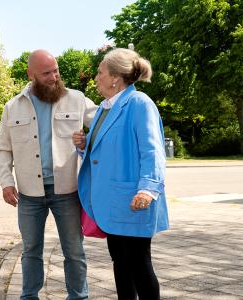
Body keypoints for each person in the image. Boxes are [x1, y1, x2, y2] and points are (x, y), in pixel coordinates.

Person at [0, 49, 97, 299]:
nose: (54, 77)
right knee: (31, 250)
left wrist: (87, 141)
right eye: (46, 73)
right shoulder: (13, 107)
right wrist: (6, 182)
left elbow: (104, 125)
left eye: (56, 70)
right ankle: (29, 296)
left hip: (67, 191)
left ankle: (78, 297)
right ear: (31, 74)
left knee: (74, 250)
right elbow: (2, 150)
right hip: (29, 194)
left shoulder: (76, 99)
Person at [73, 48, 169, 300]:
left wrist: (148, 188)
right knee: (120, 263)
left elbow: (152, 149)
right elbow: (105, 153)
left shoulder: (139, 103)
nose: (96, 77)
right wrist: (84, 146)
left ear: (115, 77)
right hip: (112, 202)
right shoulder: (105, 108)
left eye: (100, 72)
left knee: (139, 264)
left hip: (133, 200)